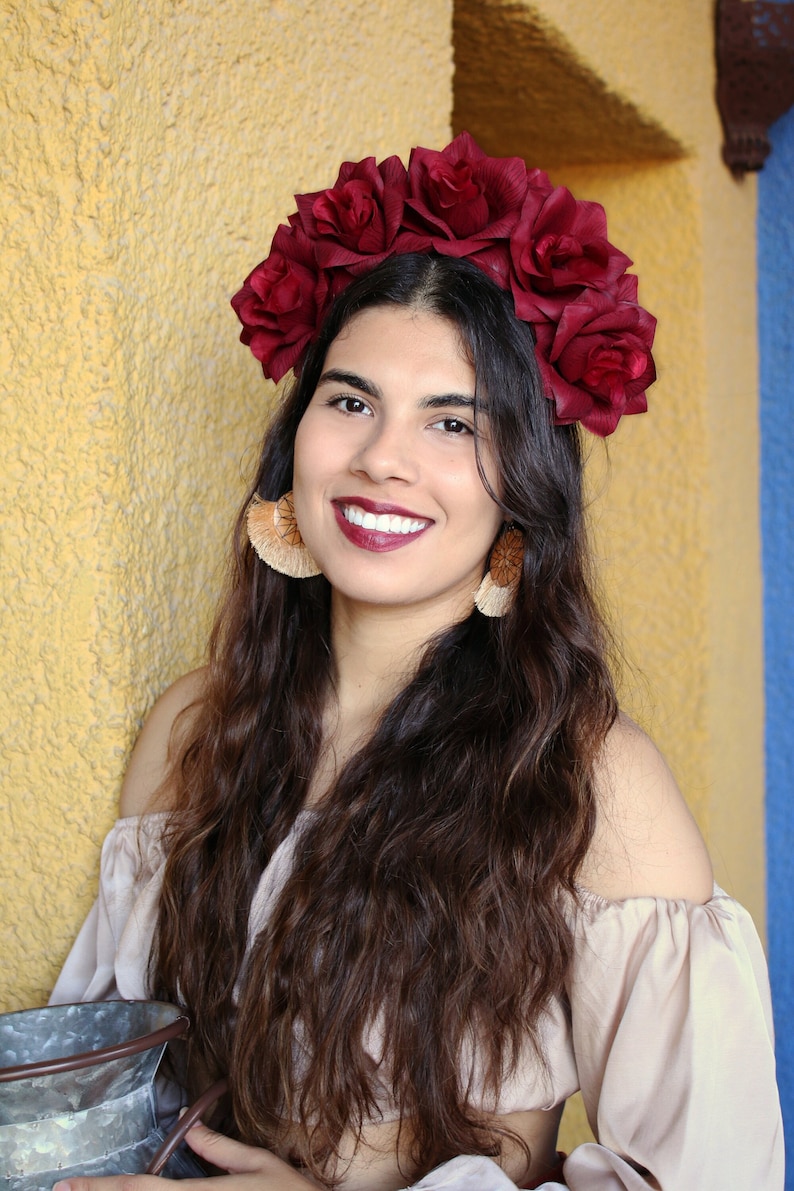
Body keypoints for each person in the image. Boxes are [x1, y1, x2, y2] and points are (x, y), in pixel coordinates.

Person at [50, 134, 783, 1191]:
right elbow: (106, 1090)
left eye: (452, 422)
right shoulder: (194, 726)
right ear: (294, 441)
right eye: (348, 402)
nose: (380, 458)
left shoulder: (585, 776)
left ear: (519, 482)